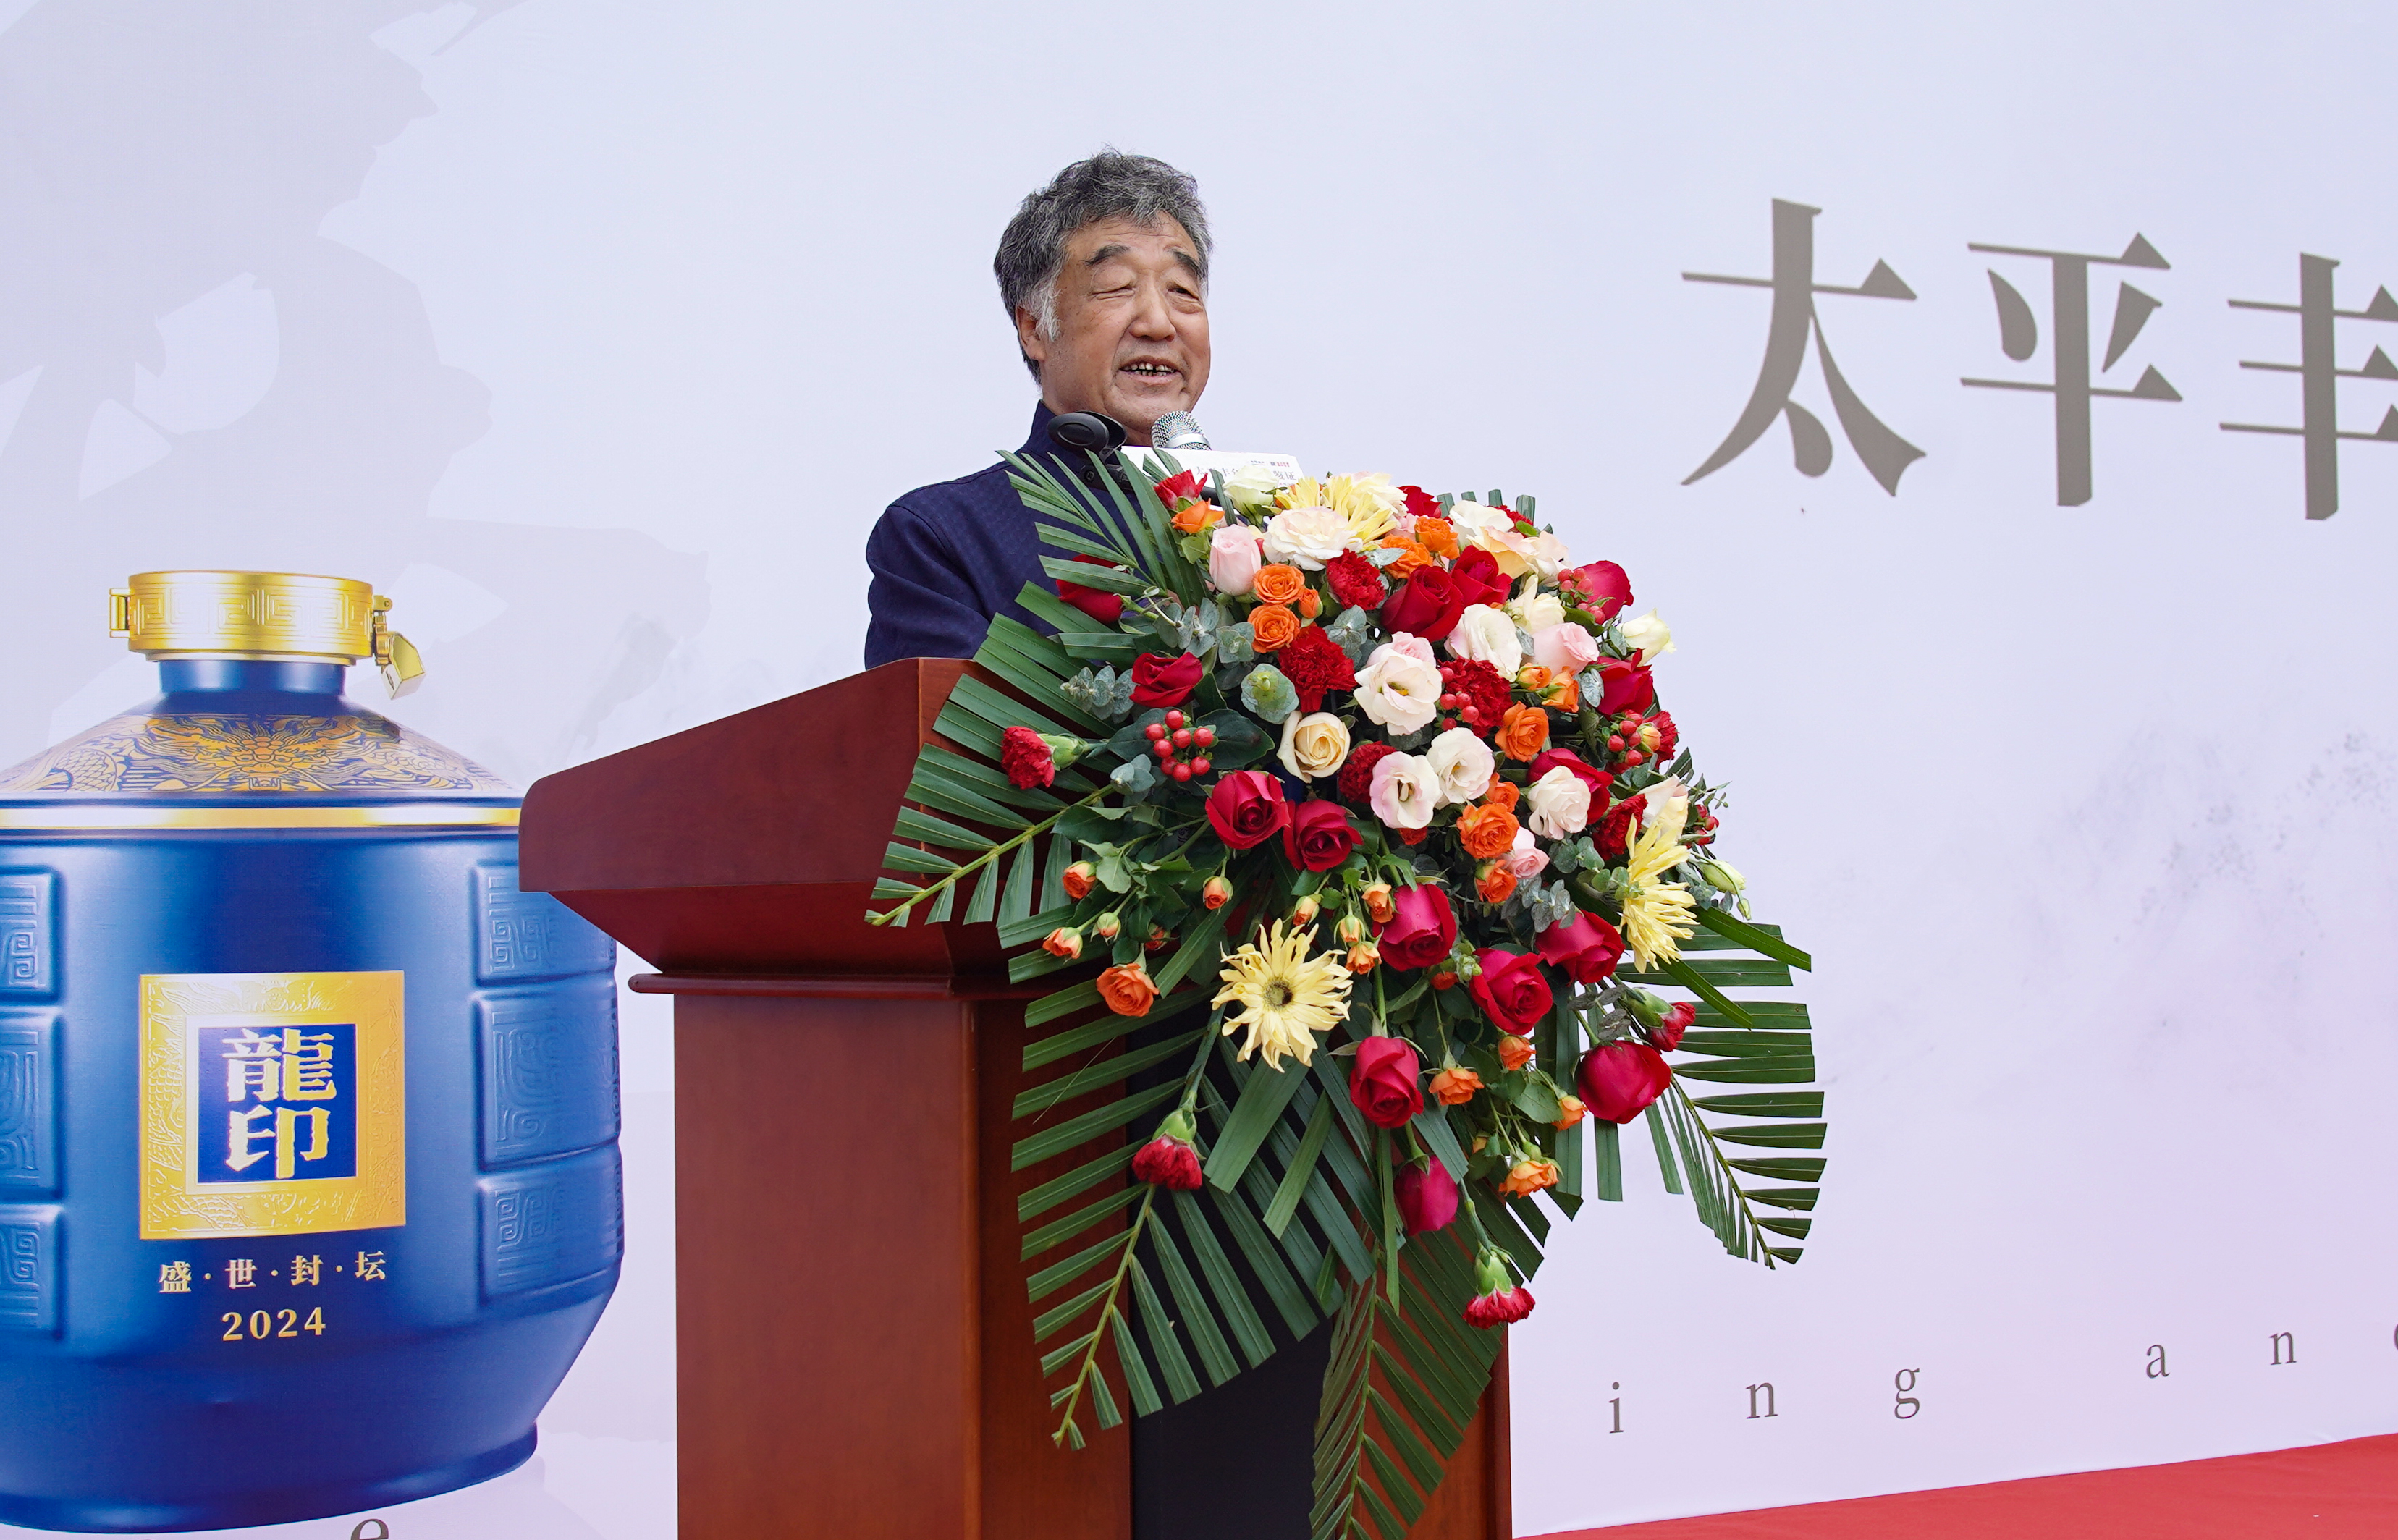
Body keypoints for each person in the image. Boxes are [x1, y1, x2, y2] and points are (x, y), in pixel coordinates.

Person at [863, 151, 1212, 667]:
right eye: (1116, 288)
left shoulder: (1274, 531)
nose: (1159, 323)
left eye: (1182, 291)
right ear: (1034, 330)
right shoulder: (942, 536)